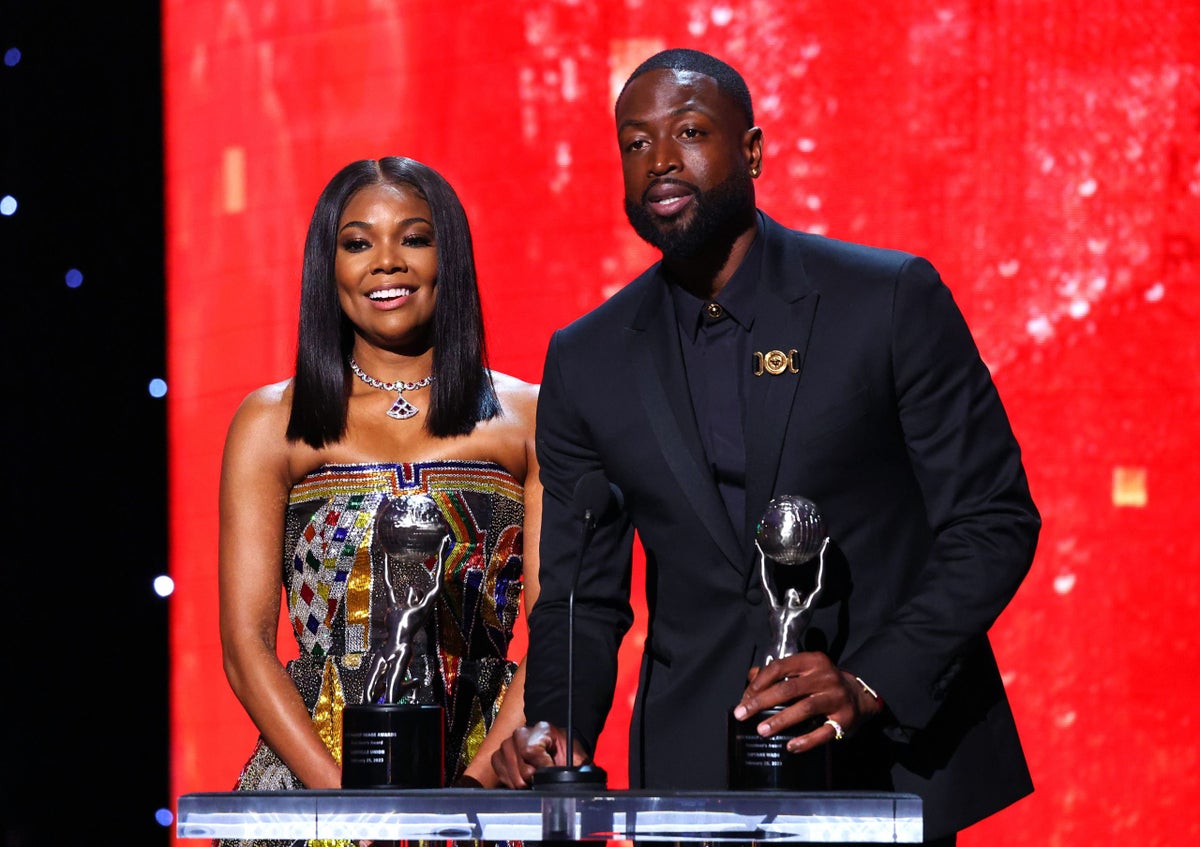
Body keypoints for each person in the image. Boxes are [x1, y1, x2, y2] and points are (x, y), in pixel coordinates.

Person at [492, 49, 1040, 846]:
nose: (661, 160)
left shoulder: (887, 301)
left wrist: (869, 680)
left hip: (881, 765)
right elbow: (583, 597)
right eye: (635, 143)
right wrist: (555, 726)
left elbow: (993, 520)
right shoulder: (588, 357)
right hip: (690, 775)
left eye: (688, 132)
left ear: (751, 150)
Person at [217, 157, 540, 832]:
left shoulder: (528, 417)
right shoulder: (272, 420)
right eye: (359, 242)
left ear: (448, 256)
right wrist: (341, 798)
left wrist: (469, 797)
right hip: (313, 793)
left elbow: (551, 628)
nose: (386, 263)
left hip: (484, 786)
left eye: (414, 239)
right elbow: (245, 644)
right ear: (327, 268)